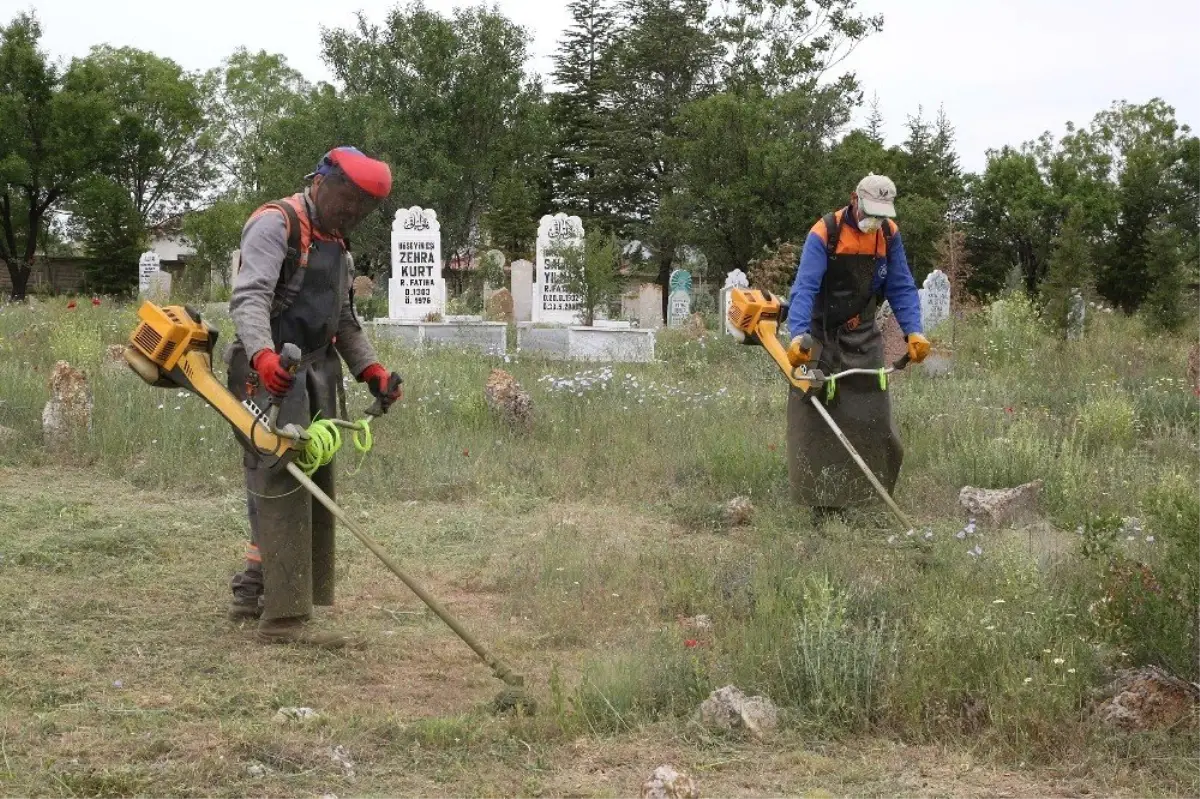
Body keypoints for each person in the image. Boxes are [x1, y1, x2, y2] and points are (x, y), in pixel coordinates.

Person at [224, 146, 403, 648]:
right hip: (269, 370)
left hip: (315, 372)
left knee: (301, 480)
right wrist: (262, 357)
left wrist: (372, 371)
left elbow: (343, 320)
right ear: (322, 182)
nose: (351, 216)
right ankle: (282, 621)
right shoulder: (275, 223)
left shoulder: (337, 244)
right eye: (347, 203)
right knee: (281, 479)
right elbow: (251, 298)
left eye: (361, 211)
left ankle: (252, 589)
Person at [784, 174, 930, 518]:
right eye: (870, 212)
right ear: (854, 199)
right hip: (819, 334)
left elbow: (902, 286)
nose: (874, 221)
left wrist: (914, 331)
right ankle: (820, 503)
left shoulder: (889, 237)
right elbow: (804, 288)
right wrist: (797, 335)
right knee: (815, 414)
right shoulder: (825, 233)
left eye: (882, 215)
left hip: (863, 333)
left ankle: (865, 498)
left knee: (873, 415)